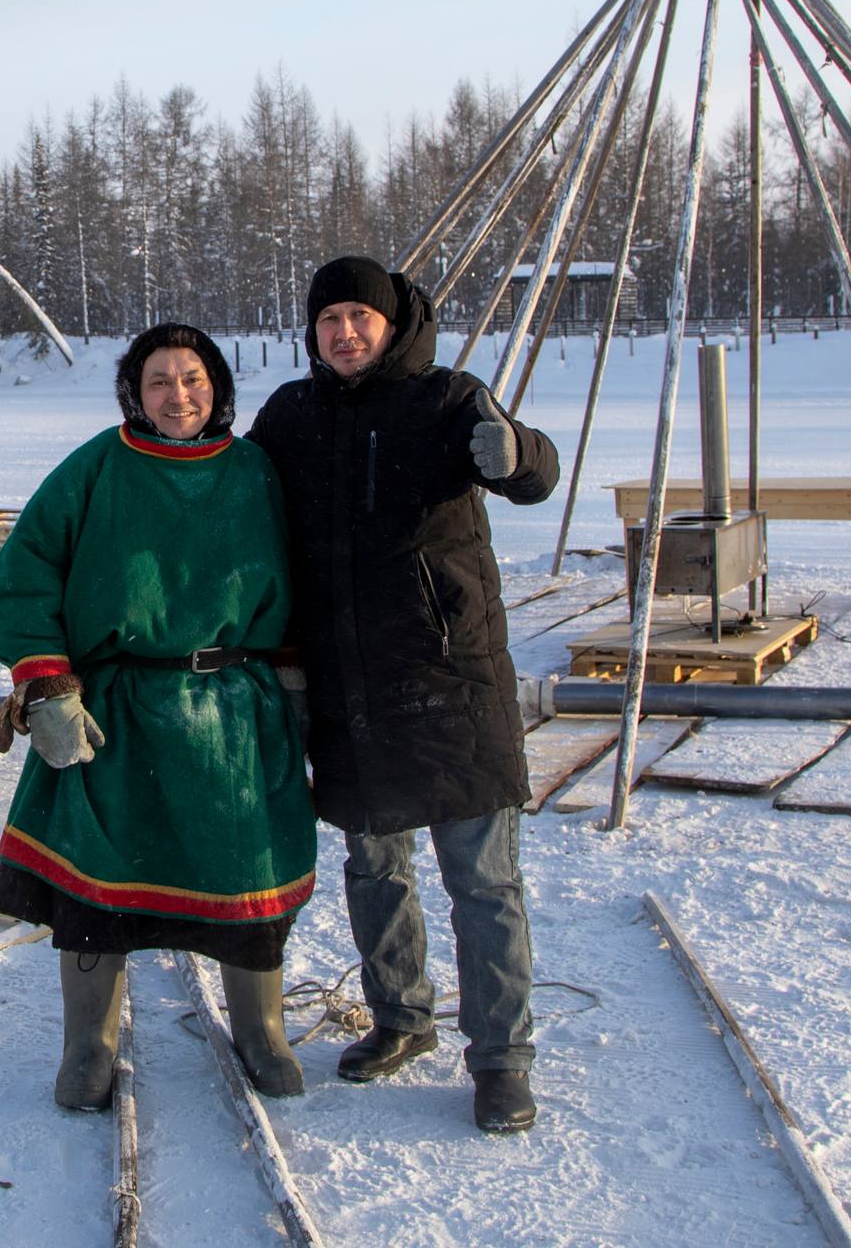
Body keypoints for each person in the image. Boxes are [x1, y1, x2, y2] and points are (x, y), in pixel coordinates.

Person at [248, 256, 561, 1134]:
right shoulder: (291, 416)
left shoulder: (448, 400)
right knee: (374, 869)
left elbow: (533, 472)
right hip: (348, 685)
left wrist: (520, 454)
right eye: (329, 320)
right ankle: (401, 1017)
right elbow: (244, 507)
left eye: (360, 317)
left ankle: (501, 1059)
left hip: (449, 680)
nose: (344, 334)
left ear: (393, 324)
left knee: (483, 880)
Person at [0, 322, 317, 1111]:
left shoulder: (254, 471)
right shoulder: (97, 468)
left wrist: (298, 687)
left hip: (235, 712)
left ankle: (263, 1031)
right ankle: (87, 1047)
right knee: (99, 887)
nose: (178, 395)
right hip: (119, 712)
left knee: (248, 878)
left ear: (218, 387)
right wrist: (48, 685)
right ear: (136, 391)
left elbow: (302, 581)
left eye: (192, 378)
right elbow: (21, 577)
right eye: (159, 380)